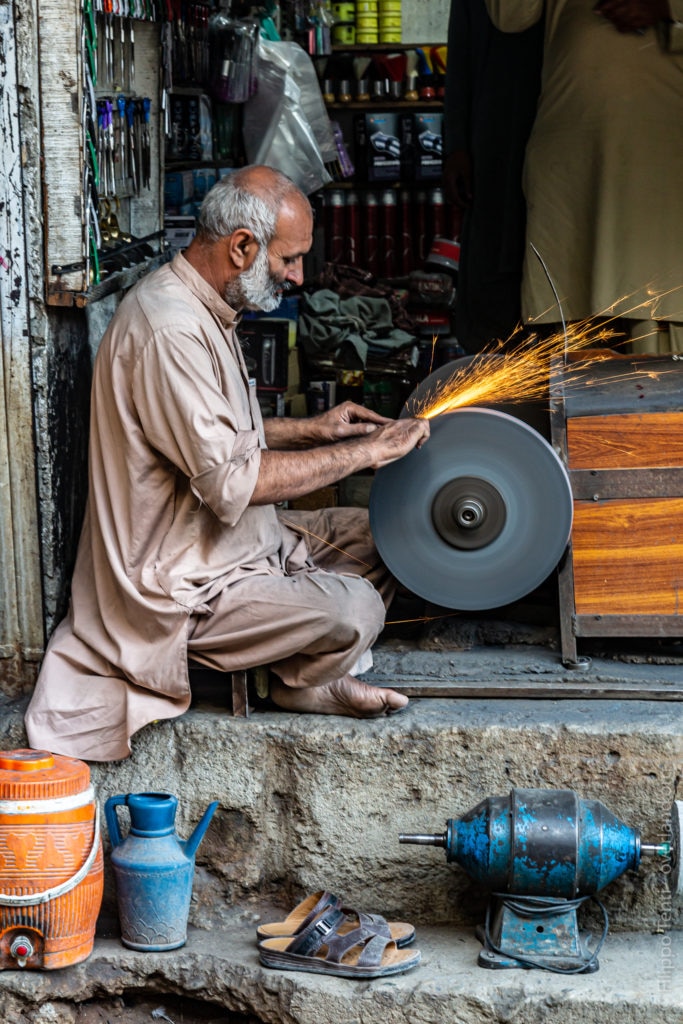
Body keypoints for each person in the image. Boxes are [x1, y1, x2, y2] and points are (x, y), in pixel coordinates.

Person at [25, 165, 430, 762]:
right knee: (355, 608)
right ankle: (297, 676)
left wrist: (310, 429)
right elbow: (232, 481)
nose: (298, 276)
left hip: (237, 545)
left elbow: (206, 439)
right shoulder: (170, 328)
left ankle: (293, 670)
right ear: (242, 247)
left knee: (394, 535)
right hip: (180, 585)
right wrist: (366, 453)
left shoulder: (205, 304)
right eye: (289, 259)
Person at [485, 0, 683, 353]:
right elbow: (509, 16)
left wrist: (666, 6)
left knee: (657, 326)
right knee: (574, 331)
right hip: (570, 152)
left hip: (657, 148)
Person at [442, 0, 544, 352]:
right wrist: (456, 143)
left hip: (558, 116)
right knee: (495, 249)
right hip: (495, 131)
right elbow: (461, 55)